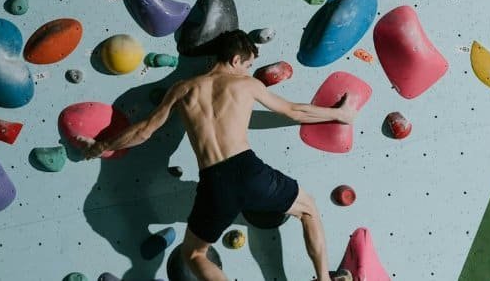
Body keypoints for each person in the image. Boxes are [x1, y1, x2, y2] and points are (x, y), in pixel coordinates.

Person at [77, 30, 358, 281]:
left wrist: (101, 146)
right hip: (249, 170)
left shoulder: (183, 89)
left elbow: (143, 131)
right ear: (236, 59)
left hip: (214, 182)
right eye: (248, 64)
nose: (248, 70)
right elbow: (295, 111)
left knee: (195, 255)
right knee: (308, 209)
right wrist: (340, 114)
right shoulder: (246, 85)